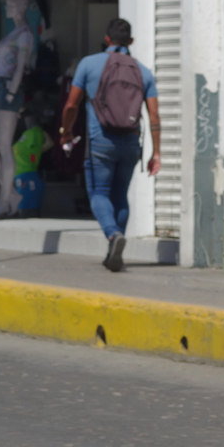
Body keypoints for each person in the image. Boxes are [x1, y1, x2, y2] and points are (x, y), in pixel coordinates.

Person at [59, 17, 161, 272]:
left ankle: (113, 236)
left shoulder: (89, 64)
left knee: (99, 193)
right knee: (120, 197)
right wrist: (156, 152)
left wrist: (66, 132)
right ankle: (114, 255)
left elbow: (71, 104)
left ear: (107, 39)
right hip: (130, 144)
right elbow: (154, 115)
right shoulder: (143, 71)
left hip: (100, 143)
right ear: (131, 41)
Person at [0, 0, 37, 219]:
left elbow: (20, 66)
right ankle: (13, 196)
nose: (6, 8)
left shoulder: (25, 34)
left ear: (19, 7)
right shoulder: (14, 33)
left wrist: (11, 92)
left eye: (10, 4)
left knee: (4, 145)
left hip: (8, 88)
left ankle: (5, 200)